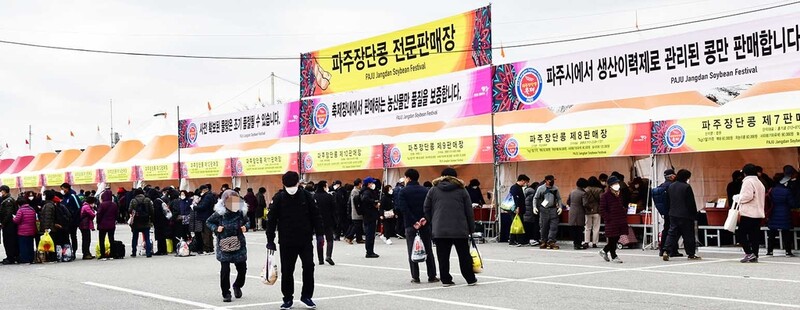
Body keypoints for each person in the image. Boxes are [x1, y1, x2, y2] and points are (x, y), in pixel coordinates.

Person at [266, 171, 324, 310]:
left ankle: (307, 296)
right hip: (286, 241)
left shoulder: (307, 196)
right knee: (287, 271)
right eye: (288, 185)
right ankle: (287, 298)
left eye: (293, 184)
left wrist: (320, 234)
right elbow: (271, 220)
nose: (291, 187)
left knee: (309, 267)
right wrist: (270, 240)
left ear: (298, 183)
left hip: (305, 240)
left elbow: (316, 215)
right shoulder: (279, 198)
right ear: (284, 184)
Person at [424, 168, 477, 287]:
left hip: (440, 229)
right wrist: (471, 228)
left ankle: (446, 279)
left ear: (442, 176)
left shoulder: (433, 190)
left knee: (442, 256)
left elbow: (426, 208)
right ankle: (470, 278)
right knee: (464, 255)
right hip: (460, 228)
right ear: (456, 177)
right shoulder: (462, 190)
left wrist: (433, 221)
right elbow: (469, 211)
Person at [396, 168, 438, 284]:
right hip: (424, 223)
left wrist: (414, 221)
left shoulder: (403, 191)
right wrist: (424, 218)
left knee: (412, 249)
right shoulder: (425, 190)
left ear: (408, 178)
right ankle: (432, 275)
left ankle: (416, 276)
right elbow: (429, 207)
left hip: (411, 225)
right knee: (428, 249)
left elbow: (403, 209)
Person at [206, 189, 249, 303]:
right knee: (225, 270)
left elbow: (248, 221)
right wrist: (216, 228)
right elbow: (208, 222)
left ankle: (237, 285)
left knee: (242, 269)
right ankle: (226, 293)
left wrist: (246, 227)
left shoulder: (240, 212)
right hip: (224, 244)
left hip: (239, 244)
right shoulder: (219, 213)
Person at [662, 169, 702, 261]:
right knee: (688, 235)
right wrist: (694, 215)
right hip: (685, 215)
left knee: (672, 233)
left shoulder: (671, 186)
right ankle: (691, 254)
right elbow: (691, 203)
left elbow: (668, 201)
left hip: (673, 213)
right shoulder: (686, 187)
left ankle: (666, 250)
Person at [738, 164, 766, 263]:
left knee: (741, 234)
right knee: (754, 236)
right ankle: (755, 254)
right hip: (758, 212)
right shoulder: (759, 182)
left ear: (745, 173)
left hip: (748, 212)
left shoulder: (747, 182)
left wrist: (738, 198)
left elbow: (747, 196)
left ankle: (749, 253)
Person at [652, 169, 683, 258]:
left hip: (665, 212)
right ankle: (672, 250)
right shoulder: (672, 186)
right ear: (672, 176)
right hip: (673, 211)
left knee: (666, 230)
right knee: (674, 231)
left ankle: (662, 250)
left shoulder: (661, 186)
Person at [599, 177, 628, 263]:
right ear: (610, 186)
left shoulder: (619, 194)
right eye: (614, 184)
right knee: (612, 238)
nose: (617, 185)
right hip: (611, 220)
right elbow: (602, 209)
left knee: (616, 237)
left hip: (619, 220)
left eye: (617, 183)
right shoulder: (605, 196)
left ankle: (604, 251)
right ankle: (614, 256)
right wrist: (608, 218)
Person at [766, 173, 795, 257]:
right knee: (786, 233)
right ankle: (788, 252)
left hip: (773, 212)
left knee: (772, 233)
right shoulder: (787, 191)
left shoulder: (772, 190)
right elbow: (792, 203)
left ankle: (770, 251)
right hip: (785, 212)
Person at [533, 175, 562, 249]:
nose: (552, 182)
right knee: (543, 226)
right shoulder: (540, 188)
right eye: (550, 180)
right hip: (543, 210)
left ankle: (551, 241)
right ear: (546, 180)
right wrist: (534, 207)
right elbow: (535, 198)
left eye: (553, 180)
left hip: (553, 209)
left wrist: (560, 207)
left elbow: (559, 198)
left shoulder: (555, 188)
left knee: (554, 226)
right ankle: (543, 241)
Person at [313, 181, 336, 265]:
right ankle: (328, 255)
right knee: (329, 239)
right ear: (323, 187)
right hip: (328, 220)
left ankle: (320, 259)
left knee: (320, 239)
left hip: (317, 221)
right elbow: (334, 209)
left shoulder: (314, 197)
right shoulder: (329, 196)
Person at [129, 188, 154, 258]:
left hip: (136, 222)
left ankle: (134, 252)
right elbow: (152, 210)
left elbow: (129, 210)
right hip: (146, 221)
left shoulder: (133, 200)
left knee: (135, 238)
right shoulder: (147, 200)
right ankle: (148, 252)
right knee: (147, 238)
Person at [360, 177, 381, 258]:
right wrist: (375, 203)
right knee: (370, 234)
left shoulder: (367, 191)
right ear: (368, 184)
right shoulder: (366, 192)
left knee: (370, 234)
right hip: (370, 215)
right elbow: (366, 200)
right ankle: (369, 252)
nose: (373, 184)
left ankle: (370, 251)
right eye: (372, 183)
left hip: (369, 215)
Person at [13, 195, 37, 264]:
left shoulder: (20, 210)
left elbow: (16, 220)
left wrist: (13, 218)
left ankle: (25, 259)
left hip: (22, 231)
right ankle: (31, 258)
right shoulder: (32, 209)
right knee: (30, 245)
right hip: (31, 230)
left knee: (23, 246)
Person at [60, 183, 82, 256]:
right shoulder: (64, 197)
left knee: (73, 236)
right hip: (66, 221)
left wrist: (74, 218)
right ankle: (68, 251)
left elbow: (79, 207)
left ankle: (74, 251)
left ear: (67, 188)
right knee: (66, 237)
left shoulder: (73, 196)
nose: (62, 190)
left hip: (73, 221)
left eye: (63, 189)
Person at [96, 190, 118, 260]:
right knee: (111, 239)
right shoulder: (114, 204)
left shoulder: (102, 205)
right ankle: (112, 253)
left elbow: (99, 214)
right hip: (111, 225)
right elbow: (116, 214)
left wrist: (98, 222)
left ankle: (103, 254)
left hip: (102, 225)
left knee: (101, 240)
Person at [567, 178, 588, 250]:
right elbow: (585, 204)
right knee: (579, 229)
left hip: (572, 211)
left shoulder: (572, 192)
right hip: (580, 212)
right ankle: (578, 244)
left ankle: (575, 243)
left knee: (573, 228)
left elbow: (568, 202)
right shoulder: (583, 193)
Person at [196, 185, 218, 255]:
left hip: (205, 216)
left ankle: (207, 249)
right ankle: (210, 248)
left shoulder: (207, 196)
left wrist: (195, 207)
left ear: (204, 190)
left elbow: (203, 206)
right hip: (209, 215)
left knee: (206, 233)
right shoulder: (211, 195)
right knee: (209, 233)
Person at [509, 174, 530, 247]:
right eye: (525, 182)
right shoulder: (514, 187)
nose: (525, 184)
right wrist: (517, 208)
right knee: (517, 225)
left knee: (517, 224)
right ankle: (514, 240)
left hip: (519, 209)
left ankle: (516, 240)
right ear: (522, 180)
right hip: (515, 209)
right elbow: (515, 198)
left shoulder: (519, 187)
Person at [1, 185, 20, 264]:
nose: (1, 193)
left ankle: (10, 257)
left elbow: (8, 214)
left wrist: (3, 223)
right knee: (10, 241)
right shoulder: (8, 200)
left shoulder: (8, 201)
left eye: (1, 191)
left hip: (9, 225)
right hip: (9, 224)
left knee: (9, 241)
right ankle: (11, 256)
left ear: (4, 191)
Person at [584, 177, 602, 248]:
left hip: (588, 211)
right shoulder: (599, 190)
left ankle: (586, 242)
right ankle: (594, 243)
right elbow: (601, 200)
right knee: (596, 227)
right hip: (597, 211)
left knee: (587, 227)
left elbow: (584, 201)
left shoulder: (586, 190)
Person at [344, 179, 365, 245]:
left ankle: (359, 238)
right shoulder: (355, 191)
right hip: (356, 211)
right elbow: (356, 202)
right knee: (356, 226)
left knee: (358, 225)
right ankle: (349, 237)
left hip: (358, 211)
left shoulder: (357, 190)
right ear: (359, 184)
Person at [523, 180, 541, 246]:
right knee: (531, 227)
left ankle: (527, 240)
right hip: (530, 213)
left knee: (527, 227)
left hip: (526, 213)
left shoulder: (526, 191)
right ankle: (532, 240)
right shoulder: (532, 194)